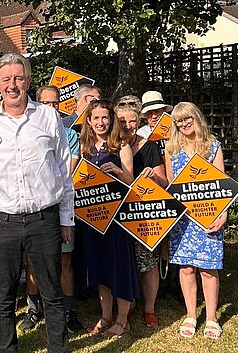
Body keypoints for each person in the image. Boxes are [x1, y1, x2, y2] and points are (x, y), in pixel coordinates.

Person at [0, 53, 74, 353]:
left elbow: (64, 167)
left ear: (28, 81)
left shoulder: (48, 117)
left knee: (52, 291)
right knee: (4, 294)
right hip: (4, 221)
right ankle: (7, 349)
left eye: (18, 78)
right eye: (6, 79)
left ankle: (58, 348)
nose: (12, 85)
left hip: (44, 219)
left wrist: (66, 217)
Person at [17, 85, 83, 334]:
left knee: (65, 260)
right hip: (34, 210)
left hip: (59, 206)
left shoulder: (70, 134)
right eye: (46, 103)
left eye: (55, 103)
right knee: (33, 262)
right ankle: (33, 308)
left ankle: (68, 310)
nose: (52, 108)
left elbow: (67, 172)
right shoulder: (27, 130)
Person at [165, 102, 226, 340]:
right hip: (182, 219)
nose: (183, 123)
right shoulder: (171, 149)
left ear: (196, 117)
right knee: (187, 267)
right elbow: (171, 185)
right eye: (178, 121)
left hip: (208, 214)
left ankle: (211, 317)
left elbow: (221, 183)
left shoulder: (212, 146)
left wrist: (223, 213)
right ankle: (191, 314)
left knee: (208, 268)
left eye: (187, 118)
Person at [77, 99, 138, 338]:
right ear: (89, 122)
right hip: (93, 219)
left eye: (105, 117)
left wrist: (120, 173)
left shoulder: (121, 146)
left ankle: (123, 319)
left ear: (111, 120)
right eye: (96, 118)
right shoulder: (85, 148)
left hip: (117, 220)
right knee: (100, 267)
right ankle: (105, 315)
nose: (101, 122)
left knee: (119, 265)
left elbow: (133, 185)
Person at [115, 98, 167, 327]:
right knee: (123, 260)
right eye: (122, 121)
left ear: (140, 121)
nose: (127, 125)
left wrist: (154, 177)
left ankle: (149, 308)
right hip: (115, 214)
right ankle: (129, 303)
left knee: (148, 261)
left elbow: (165, 182)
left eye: (132, 120)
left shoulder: (150, 146)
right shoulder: (108, 145)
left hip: (144, 214)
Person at [137, 91, 173, 156]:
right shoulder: (141, 134)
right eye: (149, 113)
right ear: (145, 115)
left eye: (157, 111)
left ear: (164, 111)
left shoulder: (175, 128)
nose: (154, 116)